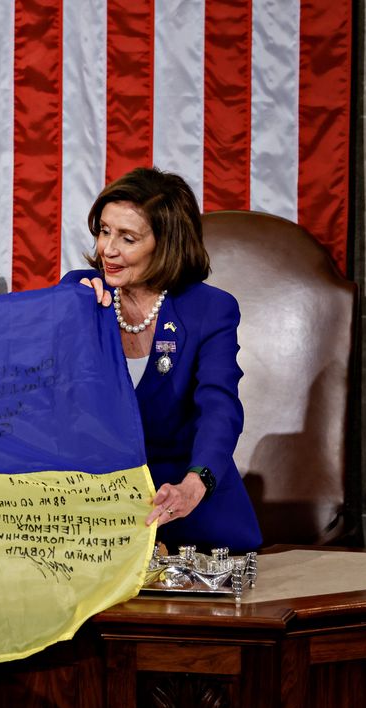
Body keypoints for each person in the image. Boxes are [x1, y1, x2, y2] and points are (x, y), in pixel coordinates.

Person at [61, 167, 261, 551]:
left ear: (166, 243)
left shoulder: (209, 309)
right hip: (97, 505)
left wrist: (195, 482)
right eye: (104, 231)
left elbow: (219, 408)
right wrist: (72, 317)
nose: (108, 250)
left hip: (182, 499)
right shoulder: (79, 293)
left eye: (128, 238)